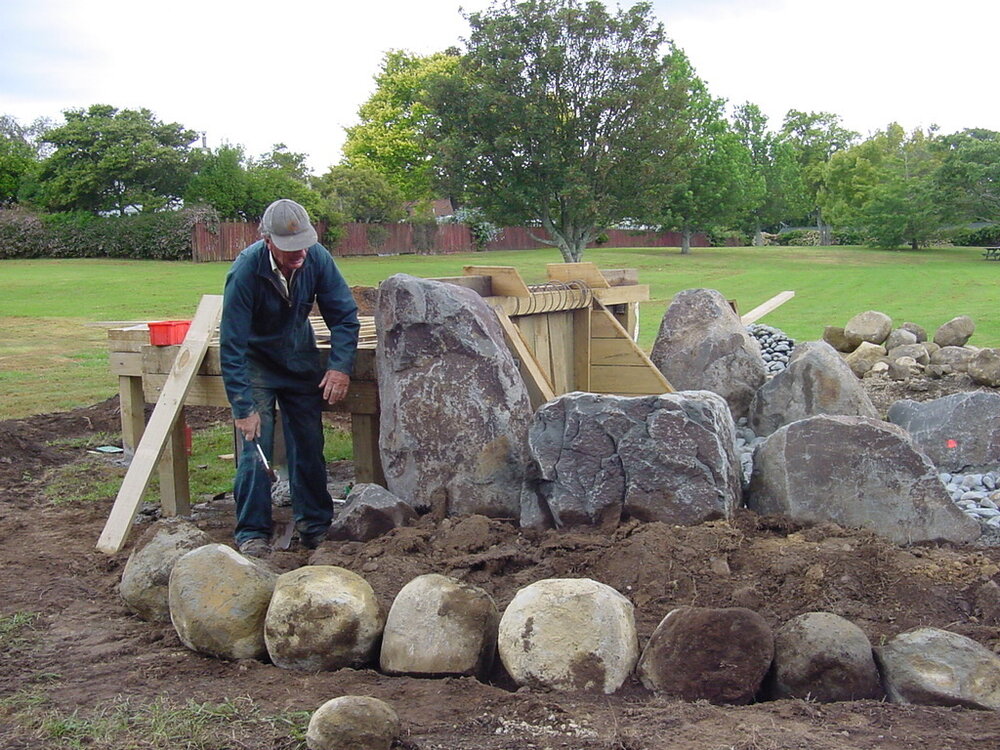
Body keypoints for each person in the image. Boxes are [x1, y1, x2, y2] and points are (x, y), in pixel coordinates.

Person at [220, 198, 360, 557]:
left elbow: (344, 317)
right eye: (288, 248)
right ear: (267, 241)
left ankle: (314, 526)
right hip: (256, 365)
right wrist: (242, 405)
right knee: (256, 448)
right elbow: (231, 344)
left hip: (299, 361)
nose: (298, 253)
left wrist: (340, 366)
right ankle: (252, 532)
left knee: (309, 445)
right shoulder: (245, 271)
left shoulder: (318, 259)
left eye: (303, 245)